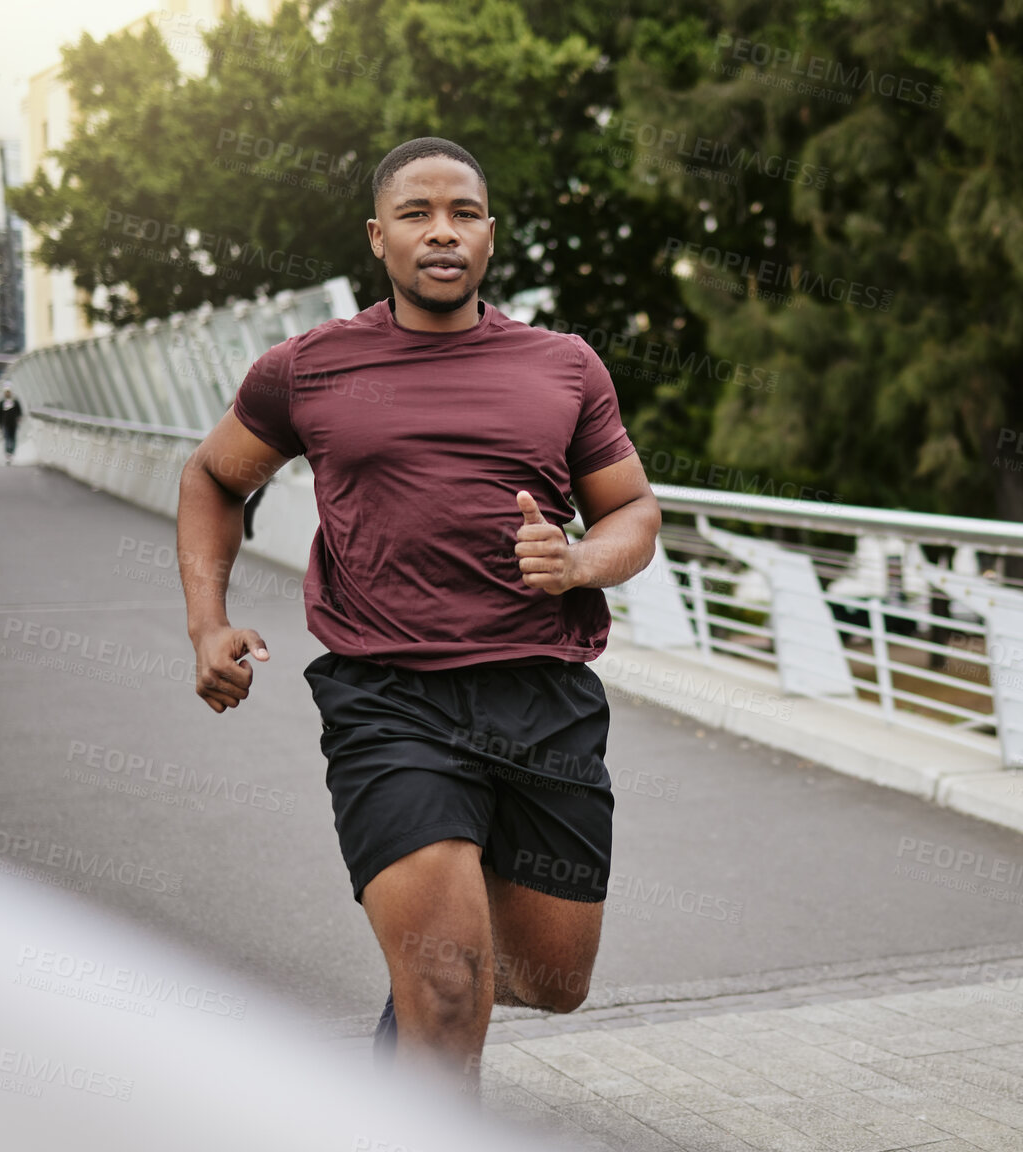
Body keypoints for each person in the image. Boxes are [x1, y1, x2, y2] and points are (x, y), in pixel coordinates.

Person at [174, 137, 660, 1094]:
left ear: (488, 234)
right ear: (377, 237)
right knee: (447, 986)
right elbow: (212, 477)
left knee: (547, 979)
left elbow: (632, 513)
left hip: (543, 700)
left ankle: (425, 998)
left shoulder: (562, 367)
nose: (442, 232)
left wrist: (575, 563)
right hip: (388, 701)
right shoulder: (306, 369)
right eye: (417, 214)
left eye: (463, 213)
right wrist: (206, 621)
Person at [0, 386, 22, 458]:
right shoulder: (1, 403)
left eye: (8, 392)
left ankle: (11, 452)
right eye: (6, 392)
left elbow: (19, 412)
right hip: (5, 423)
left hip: (13, 423)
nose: (7, 393)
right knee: (7, 438)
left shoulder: (15, 401)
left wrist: (19, 419)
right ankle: (8, 453)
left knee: (13, 438)